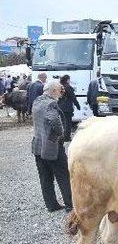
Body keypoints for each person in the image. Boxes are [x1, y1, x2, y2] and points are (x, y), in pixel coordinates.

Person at [31, 81, 73, 212]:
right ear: (53, 91)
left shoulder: (37, 101)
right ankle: (70, 204)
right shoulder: (51, 103)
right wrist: (60, 135)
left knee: (45, 177)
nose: (61, 93)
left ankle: (51, 205)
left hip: (37, 146)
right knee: (63, 176)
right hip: (52, 147)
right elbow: (54, 121)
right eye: (60, 90)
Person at [59, 75, 80, 141]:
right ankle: (67, 137)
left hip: (60, 106)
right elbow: (73, 97)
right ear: (67, 80)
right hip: (67, 107)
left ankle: (62, 136)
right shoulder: (68, 87)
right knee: (68, 123)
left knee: (62, 122)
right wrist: (77, 105)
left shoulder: (59, 86)